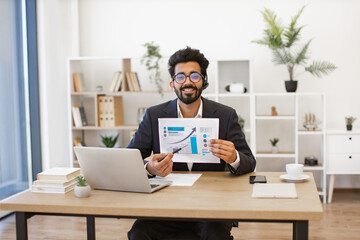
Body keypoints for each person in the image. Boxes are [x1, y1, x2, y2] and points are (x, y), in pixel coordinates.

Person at [127, 46, 256, 240]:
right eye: (181, 77)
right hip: (166, 204)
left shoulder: (225, 115)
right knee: (138, 233)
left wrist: (234, 157)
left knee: (215, 236)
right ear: (173, 83)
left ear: (204, 81)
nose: (187, 82)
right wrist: (150, 168)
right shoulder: (154, 115)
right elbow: (130, 159)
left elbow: (249, 161)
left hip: (212, 206)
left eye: (194, 76)